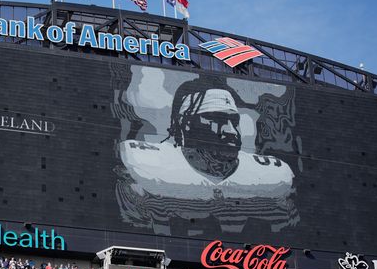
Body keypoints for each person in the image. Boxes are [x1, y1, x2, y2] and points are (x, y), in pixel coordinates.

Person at [116, 86, 297, 234]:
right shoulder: (143, 163)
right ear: (187, 124)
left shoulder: (274, 174)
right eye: (217, 120)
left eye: (234, 121)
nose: (231, 131)